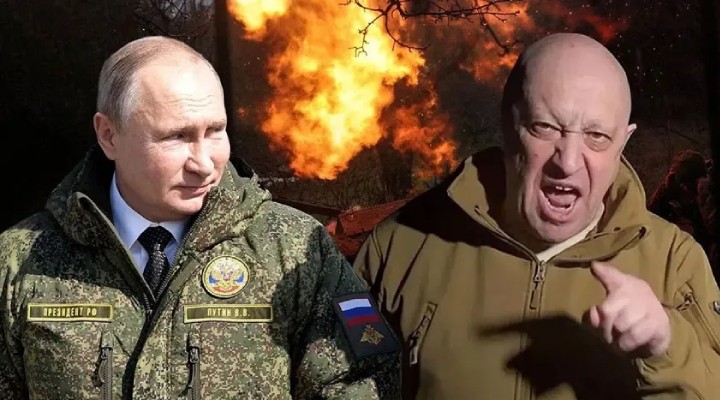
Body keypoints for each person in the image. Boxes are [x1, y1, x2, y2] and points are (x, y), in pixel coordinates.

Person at [0, 36, 399, 399]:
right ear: (109, 135)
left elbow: (364, 379)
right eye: (176, 136)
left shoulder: (297, 250)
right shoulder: (19, 261)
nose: (204, 163)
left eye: (215, 131)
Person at [354, 32, 720, 399]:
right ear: (507, 123)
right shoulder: (398, 247)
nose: (568, 162)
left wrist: (666, 346)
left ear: (623, 142)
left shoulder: (676, 263)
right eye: (544, 127)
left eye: (596, 136)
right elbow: (343, 377)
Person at [648, 149, 710, 245]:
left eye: (689, 187)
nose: (686, 190)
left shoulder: (709, 194)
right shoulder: (669, 189)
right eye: (684, 187)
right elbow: (652, 218)